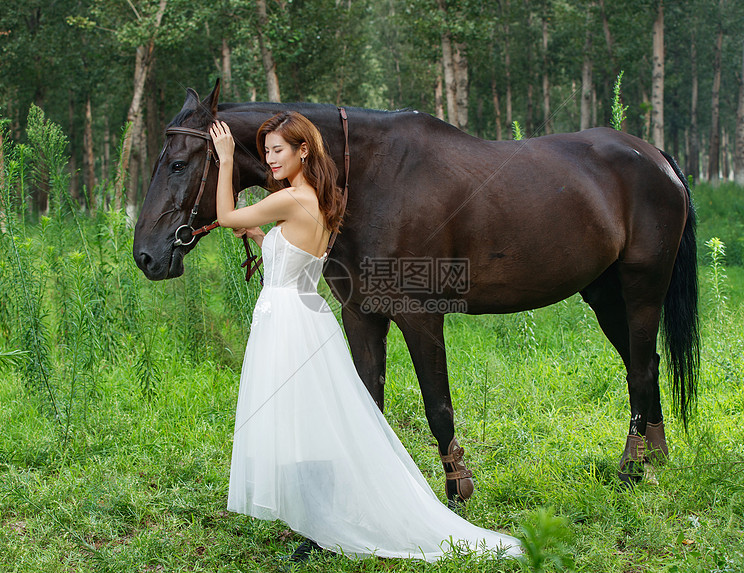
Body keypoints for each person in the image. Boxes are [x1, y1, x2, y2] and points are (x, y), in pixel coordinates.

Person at [209, 112, 522, 562]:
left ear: (303, 152)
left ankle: (324, 522)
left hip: (289, 321)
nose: (270, 160)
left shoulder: (290, 200)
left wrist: (224, 161)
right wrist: (262, 236)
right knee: (309, 418)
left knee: (304, 423)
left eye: (278, 150)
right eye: (266, 153)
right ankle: (319, 515)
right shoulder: (317, 199)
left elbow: (223, 215)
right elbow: (290, 258)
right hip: (302, 312)